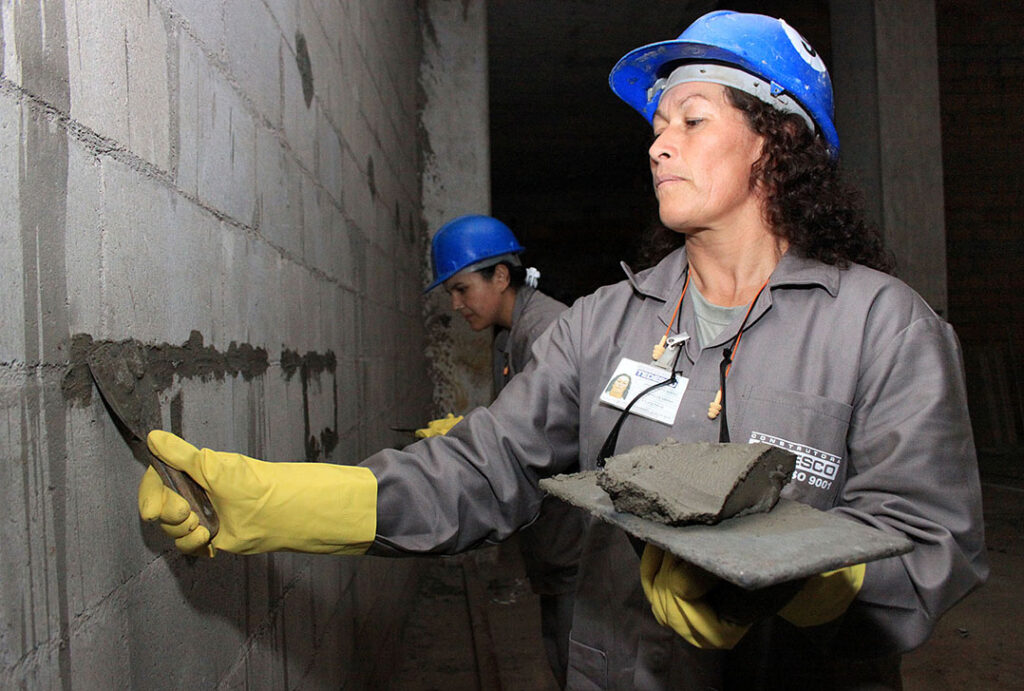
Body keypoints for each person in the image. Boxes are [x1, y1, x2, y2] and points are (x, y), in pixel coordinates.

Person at [137, 10, 987, 690]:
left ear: (776, 139)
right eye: (658, 124)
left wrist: (798, 577)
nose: (658, 142)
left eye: (692, 119)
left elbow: (932, 542)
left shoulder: (885, 326)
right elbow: (481, 470)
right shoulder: (606, 323)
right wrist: (272, 502)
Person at [417, 214, 585, 688]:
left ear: (502, 276)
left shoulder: (548, 331)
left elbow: (541, 440)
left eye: (462, 289)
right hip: (551, 539)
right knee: (559, 654)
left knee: (581, 663)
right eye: (450, 292)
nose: (456, 304)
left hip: (578, 542)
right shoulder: (510, 338)